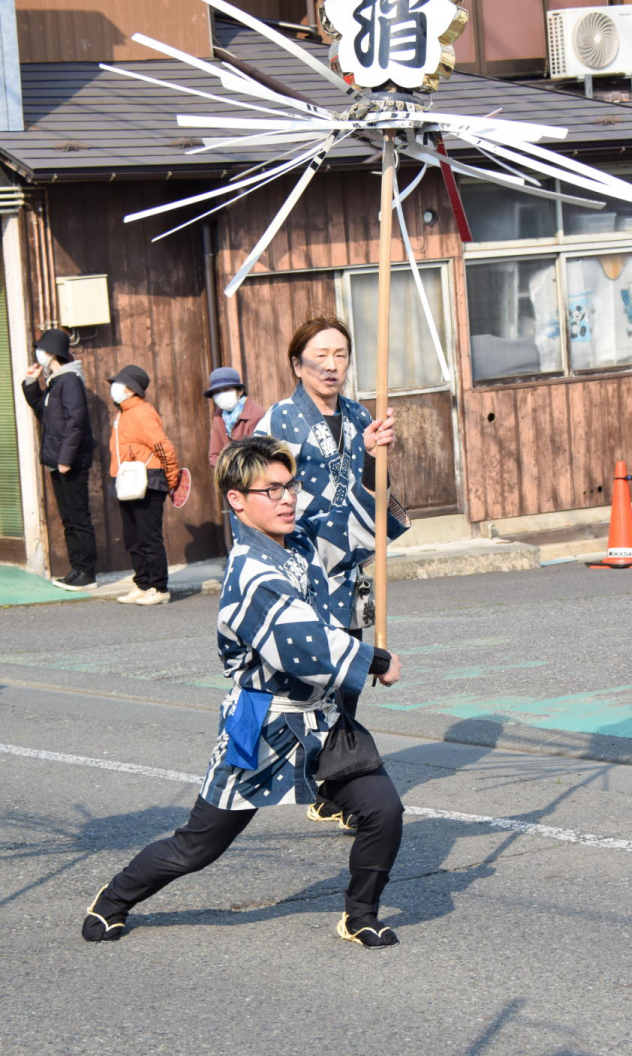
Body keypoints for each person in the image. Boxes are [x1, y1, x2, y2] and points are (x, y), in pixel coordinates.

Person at [82, 432, 408, 949]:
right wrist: (372, 660)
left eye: (290, 486)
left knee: (383, 809)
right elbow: (298, 640)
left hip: (321, 719)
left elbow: (354, 528)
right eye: (271, 490)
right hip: (262, 721)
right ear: (237, 499)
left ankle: (360, 914)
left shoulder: (298, 540)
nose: (286, 498)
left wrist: (371, 461)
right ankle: (116, 896)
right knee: (198, 845)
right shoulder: (249, 573)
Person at [254, 315, 397, 828]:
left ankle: (332, 778)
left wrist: (376, 453)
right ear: (297, 363)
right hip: (305, 560)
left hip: (351, 565)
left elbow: (372, 491)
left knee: (351, 674)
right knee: (318, 673)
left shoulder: (361, 416)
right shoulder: (278, 421)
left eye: (340, 354)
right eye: (320, 355)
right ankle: (329, 779)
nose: (331, 365)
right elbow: (264, 490)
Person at [22, 328, 97, 590]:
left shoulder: (70, 380)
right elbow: (44, 411)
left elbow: (76, 423)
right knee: (68, 519)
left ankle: (87, 573)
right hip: (59, 460)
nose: (38, 353)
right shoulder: (56, 380)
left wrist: (66, 458)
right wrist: (32, 383)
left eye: (41, 349)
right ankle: (77, 569)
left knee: (78, 518)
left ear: (52, 352)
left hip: (71, 462)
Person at [108, 364, 179, 606]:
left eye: (120, 384)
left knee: (149, 537)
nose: (115, 388)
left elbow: (163, 446)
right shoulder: (123, 413)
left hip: (149, 480)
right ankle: (143, 584)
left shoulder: (142, 412)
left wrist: (171, 479)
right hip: (127, 481)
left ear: (131, 389)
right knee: (132, 537)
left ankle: (159, 588)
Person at [206, 367, 265, 468]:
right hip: (229, 478)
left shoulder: (256, 414)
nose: (221, 395)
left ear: (240, 391)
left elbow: (260, 455)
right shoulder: (218, 416)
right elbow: (214, 456)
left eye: (226, 390)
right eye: (217, 392)